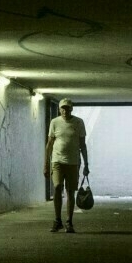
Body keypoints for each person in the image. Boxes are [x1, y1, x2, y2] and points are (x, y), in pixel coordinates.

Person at [43, 97, 90, 233]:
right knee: (57, 187)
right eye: (63, 108)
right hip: (57, 161)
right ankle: (58, 220)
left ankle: (69, 222)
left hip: (73, 162)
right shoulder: (54, 122)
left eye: (67, 108)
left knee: (70, 191)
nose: (65, 111)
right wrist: (46, 164)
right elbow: (49, 144)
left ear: (71, 109)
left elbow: (82, 145)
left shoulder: (78, 122)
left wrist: (86, 164)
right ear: (59, 109)